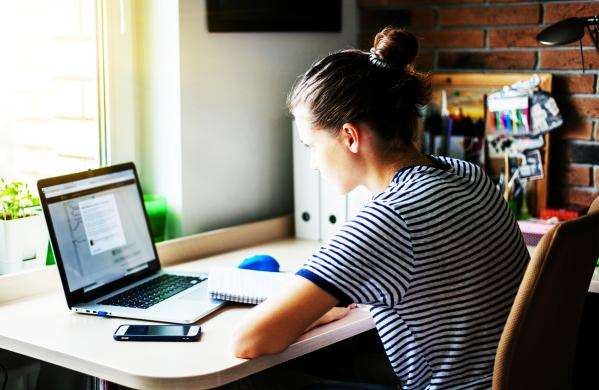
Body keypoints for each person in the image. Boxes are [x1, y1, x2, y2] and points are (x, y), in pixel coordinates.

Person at [231, 27, 529, 390]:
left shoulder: (389, 219)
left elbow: (250, 340)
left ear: (350, 137)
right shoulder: (470, 175)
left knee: (249, 383)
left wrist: (308, 316)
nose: (312, 162)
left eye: (311, 145)